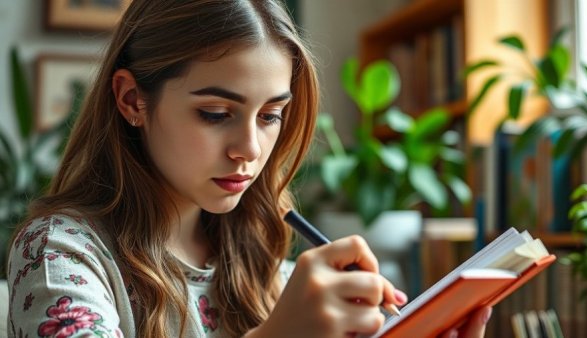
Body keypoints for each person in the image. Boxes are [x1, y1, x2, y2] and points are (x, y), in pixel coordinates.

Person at [6, 0, 492, 337]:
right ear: (132, 99)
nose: (250, 148)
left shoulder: (264, 265)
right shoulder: (61, 255)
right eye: (216, 114)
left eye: (271, 116)